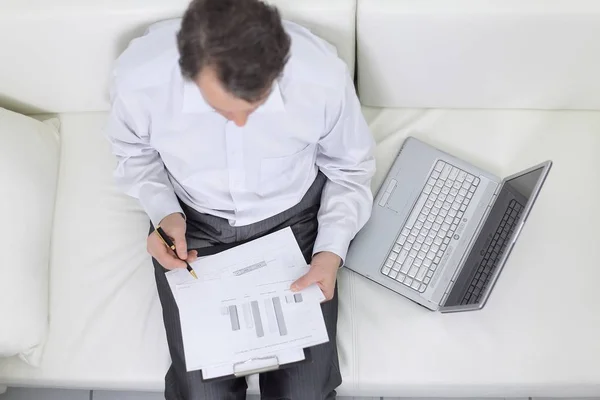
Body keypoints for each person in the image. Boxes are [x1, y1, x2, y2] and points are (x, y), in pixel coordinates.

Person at [105, 0, 375, 398]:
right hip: (192, 222)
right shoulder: (139, 78)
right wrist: (164, 213)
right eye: (222, 109)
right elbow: (134, 154)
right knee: (200, 394)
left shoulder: (321, 78)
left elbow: (350, 170)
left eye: (257, 104)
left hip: (295, 220)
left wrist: (330, 253)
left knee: (305, 394)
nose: (241, 123)